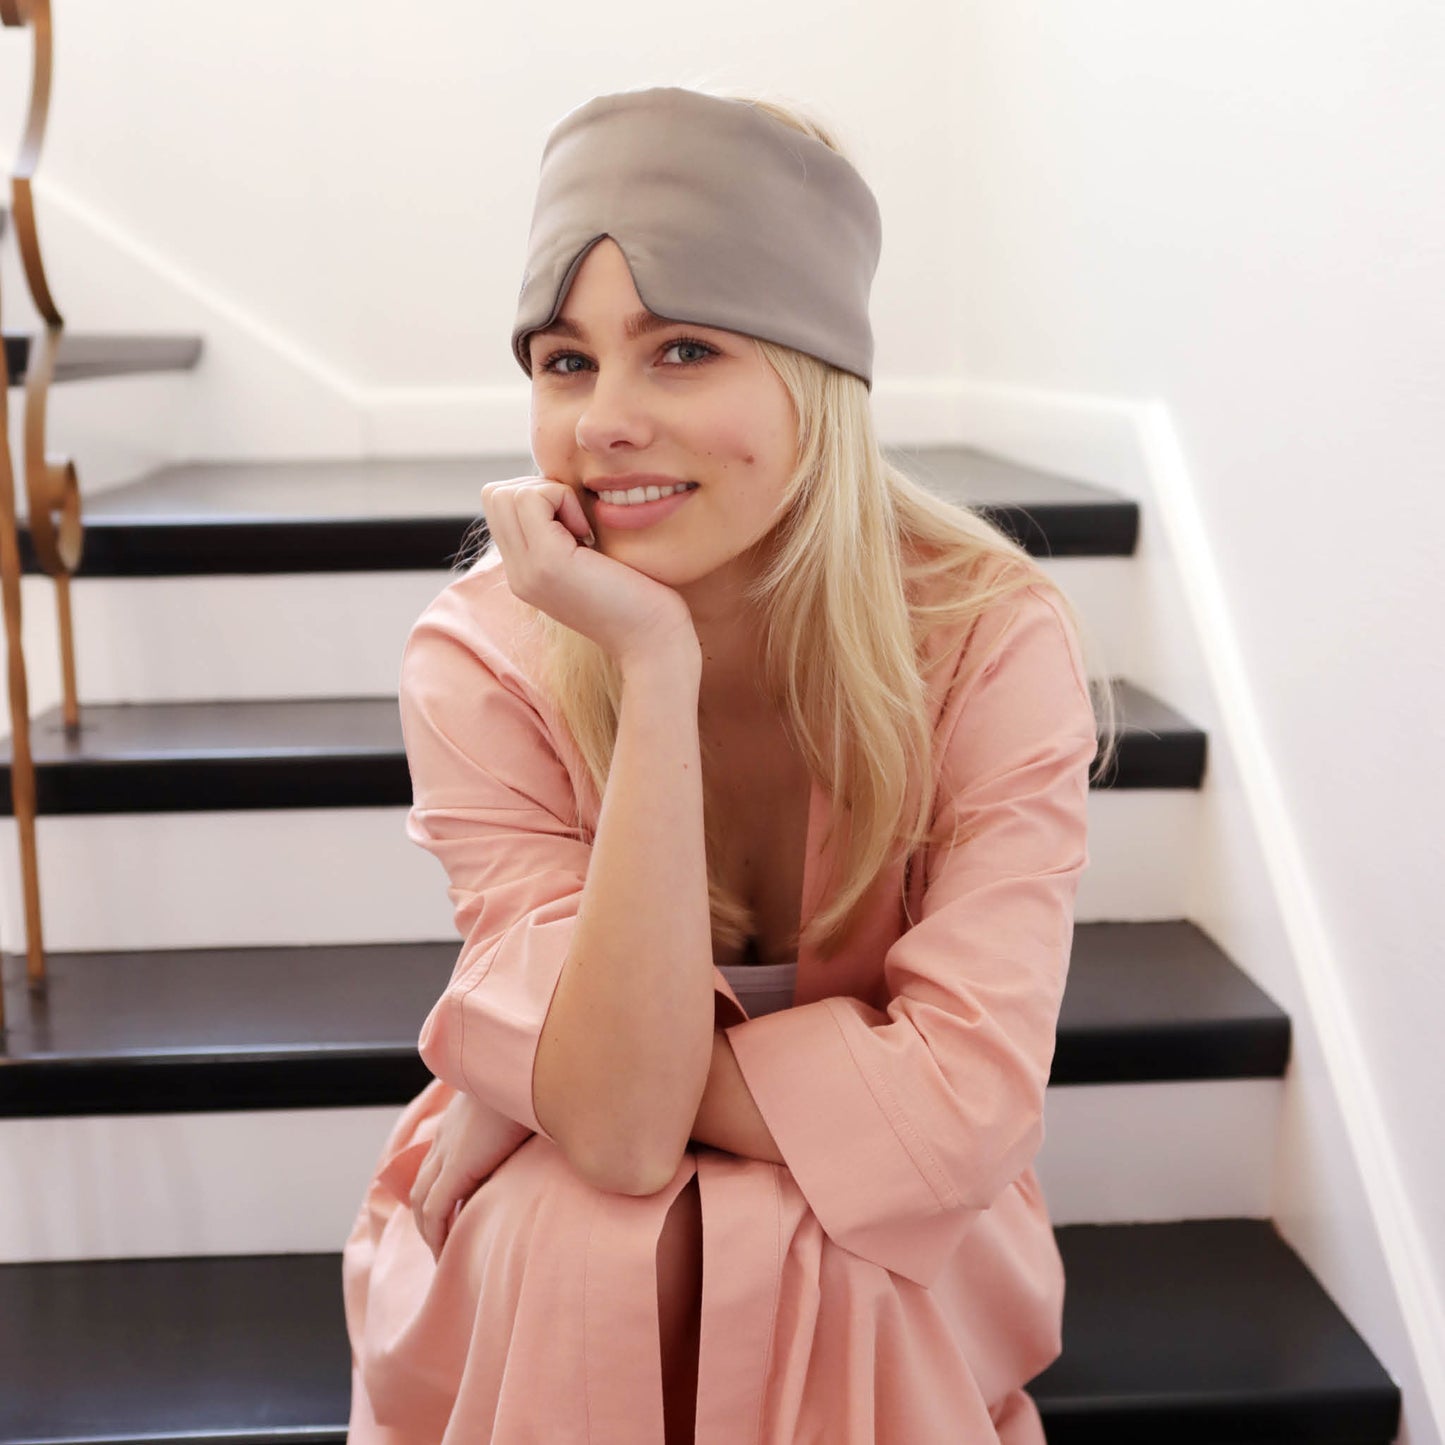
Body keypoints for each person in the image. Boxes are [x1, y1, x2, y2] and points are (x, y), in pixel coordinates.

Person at [341, 84, 1119, 1444]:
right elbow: (633, 1146)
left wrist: (568, 1079)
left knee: (834, 1253)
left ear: (815, 375)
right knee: (581, 1231)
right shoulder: (486, 650)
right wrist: (649, 665)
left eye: (683, 349)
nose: (604, 421)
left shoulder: (986, 639)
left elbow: (963, 1106)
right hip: (560, 1211)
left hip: (878, 1231)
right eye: (564, 362)